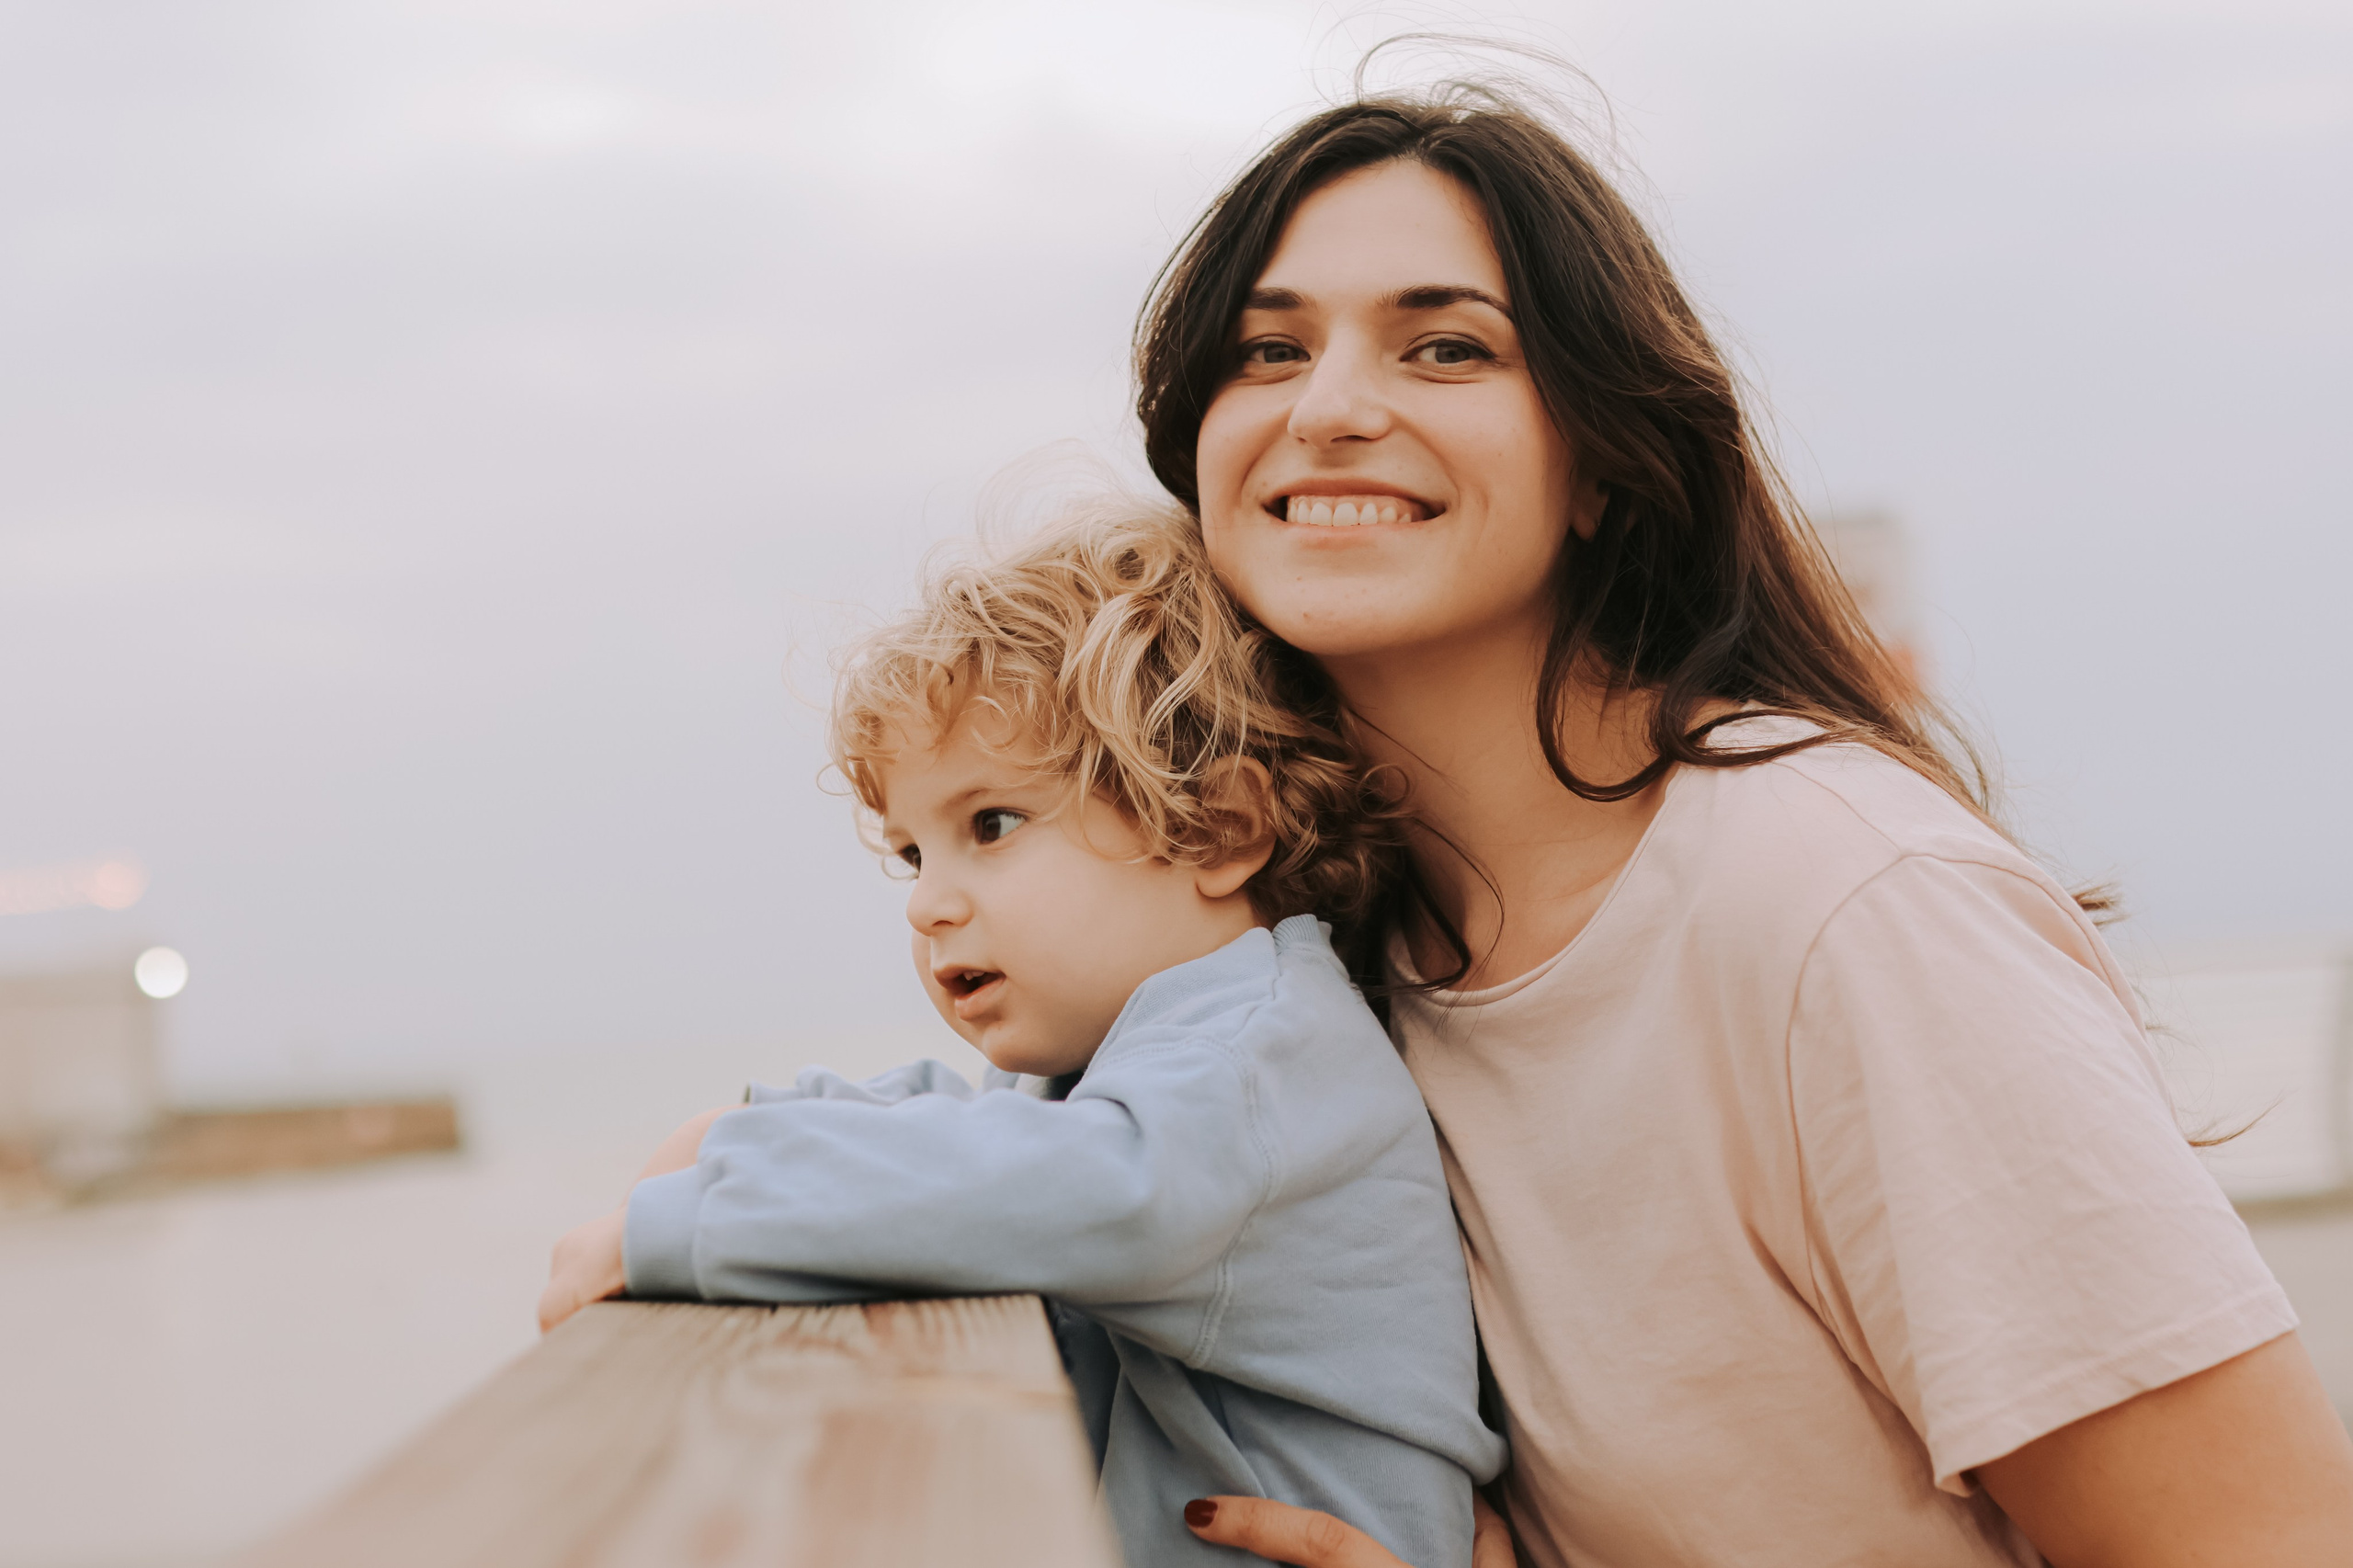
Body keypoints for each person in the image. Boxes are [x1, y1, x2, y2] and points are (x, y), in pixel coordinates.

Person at [1134, 86, 2353, 1567]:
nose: (1326, 407)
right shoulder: (1320, 952)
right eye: (1268, 349)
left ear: (1601, 461)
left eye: (1446, 344)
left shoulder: (1848, 905)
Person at [536, 507, 1508, 1568]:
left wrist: (692, 1214)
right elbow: (983, 1131)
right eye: (913, 852)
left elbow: (1077, 1185)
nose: (927, 904)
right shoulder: (1148, 1058)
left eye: (990, 824)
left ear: (1220, 828)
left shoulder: (1261, 1053)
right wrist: (746, 1120)